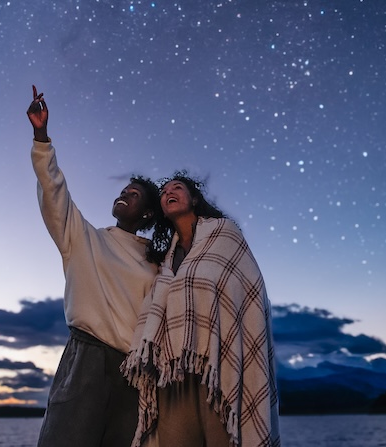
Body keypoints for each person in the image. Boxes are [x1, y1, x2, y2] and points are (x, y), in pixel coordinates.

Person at [27, 85, 162, 447]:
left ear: (148, 213)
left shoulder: (157, 262)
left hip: (134, 374)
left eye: (135, 195)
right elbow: (55, 194)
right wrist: (42, 137)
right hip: (85, 359)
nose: (124, 195)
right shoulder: (86, 239)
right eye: (124, 190)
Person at [122, 172, 281, 447]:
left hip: (218, 370)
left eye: (178, 187)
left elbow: (247, 292)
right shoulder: (165, 262)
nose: (169, 192)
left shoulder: (225, 235)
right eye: (164, 192)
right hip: (172, 375)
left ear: (194, 198)